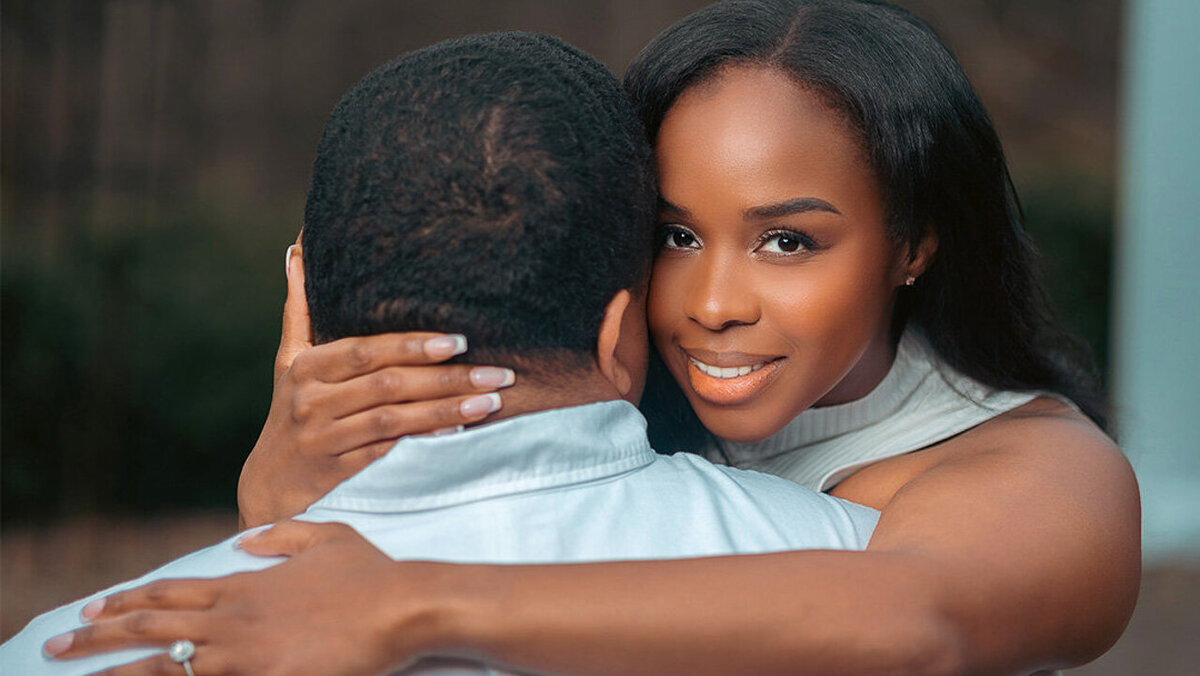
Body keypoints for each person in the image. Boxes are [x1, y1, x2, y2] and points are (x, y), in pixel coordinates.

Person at [43, 1, 1140, 674]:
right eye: (674, 234)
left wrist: (410, 600)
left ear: (915, 244)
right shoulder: (612, 398)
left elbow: (919, 623)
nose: (713, 302)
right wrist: (289, 494)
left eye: (787, 242)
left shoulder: (1040, 467)